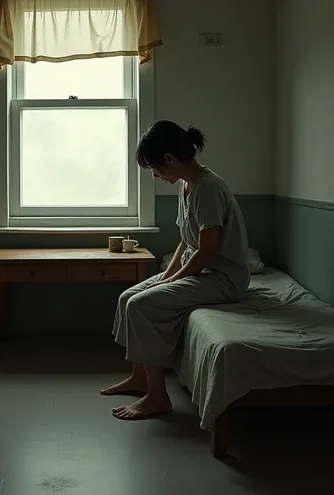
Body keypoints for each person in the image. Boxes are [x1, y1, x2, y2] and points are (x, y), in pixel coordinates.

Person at [101, 120, 251, 420]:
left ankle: (157, 397)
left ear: (169, 159)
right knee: (129, 296)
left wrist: (169, 282)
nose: (155, 176)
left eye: (155, 169)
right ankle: (139, 376)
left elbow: (206, 252)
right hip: (199, 272)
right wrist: (166, 277)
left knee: (142, 304)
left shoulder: (208, 189)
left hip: (222, 279)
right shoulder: (186, 184)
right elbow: (186, 242)